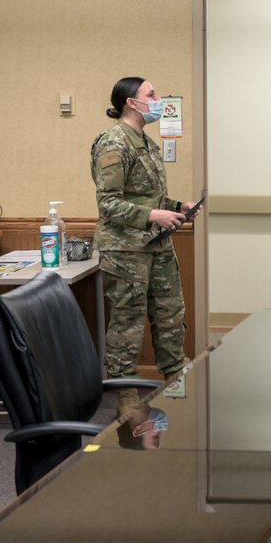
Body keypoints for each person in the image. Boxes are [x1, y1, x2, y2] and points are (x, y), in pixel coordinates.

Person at [91, 77, 193, 402]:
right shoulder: (113, 143)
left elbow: (149, 198)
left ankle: (178, 387)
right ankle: (127, 402)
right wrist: (153, 216)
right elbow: (108, 202)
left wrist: (179, 207)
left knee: (170, 315)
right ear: (131, 103)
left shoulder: (145, 142)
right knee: (128, 325)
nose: (158, 99)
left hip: (156, 243)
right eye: (152, 94)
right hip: (125, 250)